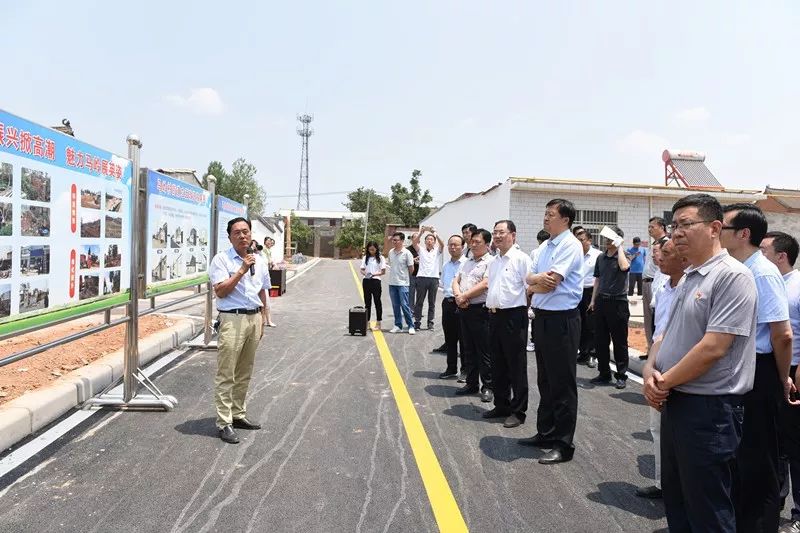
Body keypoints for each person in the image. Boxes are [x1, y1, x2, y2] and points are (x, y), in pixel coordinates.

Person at [643, 193, 757, 532]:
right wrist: (650, 371)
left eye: (685, 225)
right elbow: (663, 336)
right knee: (677, 500)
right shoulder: (689, 277)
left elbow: (713, 348)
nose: (675, 233)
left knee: (708, 509)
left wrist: (662, 383)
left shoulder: (731, 277)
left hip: (709, 410)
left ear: (714, 228)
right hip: (677, 400)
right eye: (674, 225)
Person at [719, 203, 794, 532]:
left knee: (759, 459)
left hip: (761, 371)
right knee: (739, 455)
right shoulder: (739, 267)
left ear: (743, 234)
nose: (717, 232)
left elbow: (782, 334)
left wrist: (781, 378)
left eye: (724, 227)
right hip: (741, 369)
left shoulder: (762, 272)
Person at [522, 199, 584, 464]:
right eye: (545, 213)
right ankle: (545, 433)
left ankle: (563, 443)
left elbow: (551, 283)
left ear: (565, 219)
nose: (545, 218)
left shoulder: (570, 245)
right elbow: (531, 279)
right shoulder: (546, 245)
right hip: (543, 318)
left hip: (562, 321)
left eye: (550, 214)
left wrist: (534, 283)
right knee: (545, 380)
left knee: (562, 384)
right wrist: (535, 281)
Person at [208, 217, 270, 444]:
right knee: (227, 372)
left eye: (246, 231)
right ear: (229, 237)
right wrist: (242, 270)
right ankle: (224, 422)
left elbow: (263, 291)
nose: (242, 236)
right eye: (237, 233)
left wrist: (263, 317)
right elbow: (221, 291)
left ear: (251, 233)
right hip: (232, 319)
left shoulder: (260, 260)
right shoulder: (221, 260)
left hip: (254, 318)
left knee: (245, 371)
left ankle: (238, 414)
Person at [636, 239, 685, 500]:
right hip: (659, 368)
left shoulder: (690, 287)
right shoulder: (663, 286)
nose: (659, 258)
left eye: (666, 253)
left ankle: (680, 489)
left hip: (683, 370)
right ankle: (663, 483)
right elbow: (659, 333)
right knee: (657, 429)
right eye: (658, 253)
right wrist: (649, 367)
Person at [760, 231, 800, 532]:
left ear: (781, 256)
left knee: (794, 444)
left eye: (764, 250)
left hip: (795, 370)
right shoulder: (770, 282)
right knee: (776, 445)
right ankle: (777, 501)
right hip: (774, 369)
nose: (759, 255)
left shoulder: (796, 287)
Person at [482, 220, 532, 430]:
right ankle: (501, 404)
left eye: (501, 232)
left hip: (514, 317)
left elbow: (530, 288)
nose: (497, 236)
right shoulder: (494, 262)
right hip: (494, 316)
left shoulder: (522, 259)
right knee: (498, 363)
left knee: (516, 366)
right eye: (495, 233)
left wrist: (527, 313)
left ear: (513, 235)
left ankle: (518, 411)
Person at [453, 228, 495, 402]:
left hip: (481, 311)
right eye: (472, 241)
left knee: (484, 351)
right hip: (464, 309)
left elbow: (485, 284)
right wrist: (458, 297)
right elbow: (456, 280)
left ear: (487, 244)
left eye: (478, 242)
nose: (474, 244)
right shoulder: (466, 261)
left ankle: (488, 386)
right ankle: (471, 384)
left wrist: (464, 296)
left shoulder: (491, 262)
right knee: (468, 349)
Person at [589, 225, 631, 389]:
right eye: (606, 239)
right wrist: (593, 300)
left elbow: (624, 267)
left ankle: (621, 375)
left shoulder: (624, 255)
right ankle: (604, 373)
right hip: (601, 301)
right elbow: (597, 280)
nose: (606, 241)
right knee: (600, 339)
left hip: (618, 302)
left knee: (620, 340)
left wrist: (620, 246)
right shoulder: (601, 258)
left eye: (610, 238)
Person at [438, 235, 466, 379]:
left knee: (464, 339)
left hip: (463, 305)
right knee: (450, 338)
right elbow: (443, 284)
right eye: (450, 245)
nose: (453, 247)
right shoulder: (446, 265)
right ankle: (451, 368)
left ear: (463, 246)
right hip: (448, 303)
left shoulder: (467, 264)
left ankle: (465, 371)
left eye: (456, 245)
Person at [574, 229, 602, 368]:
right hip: (577, 292)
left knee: (592, 325)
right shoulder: (574, 255)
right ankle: (583, 352)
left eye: (582, 240)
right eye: (577, 240)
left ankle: (593, 354)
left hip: (592, 293)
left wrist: (595, 298)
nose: (579, 243)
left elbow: (600, 277)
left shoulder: (598, 255)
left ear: (589, 240)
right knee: (580, 324)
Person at [642, 217, 669, 350]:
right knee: (648, 318)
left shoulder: (666, 244)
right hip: (646, 283)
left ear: (662, 228)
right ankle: (649, 348)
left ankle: (656, 349)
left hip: (656, 282)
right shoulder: (654, 244)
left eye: (652, 227)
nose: (649, 229)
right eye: (649, 227)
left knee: (656, 317)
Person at [412, 226, 444, 330]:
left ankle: (430, 323)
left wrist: (435, 233)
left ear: (434, 242)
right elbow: (414, 243)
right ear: (425, 241)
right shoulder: (421, 250)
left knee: (432, 302)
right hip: (421, 278)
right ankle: (417, 322)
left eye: (431, 239)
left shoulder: (437, 251)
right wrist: (421, 232)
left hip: (433, 279)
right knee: (419, 302)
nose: (429, 241)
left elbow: (442, 244)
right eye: (428, 239)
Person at [527, 230, 551, 353]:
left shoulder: (566, 247)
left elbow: (551, 282)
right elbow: (530, 275)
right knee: (536, 318)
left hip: (543, 287)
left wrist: (531, 286)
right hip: (537, 285)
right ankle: (534, 340)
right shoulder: (536, 252)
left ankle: (535, 340)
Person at [387, 232, 416, 334]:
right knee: (395, 305)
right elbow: (390, 264)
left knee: (404, 305)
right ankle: (398, 325)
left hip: (403, 283)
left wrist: (403, 277)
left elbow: (411, 269)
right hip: (392, 283)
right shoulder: (391, 252)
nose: (394, 242)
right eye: (393, 240)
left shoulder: (407, 253)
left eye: (396, 240)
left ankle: (410, 325)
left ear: (402, 241)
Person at [360, 241, 386, 331]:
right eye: (370, 249)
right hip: (366, 281)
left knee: (377, 302)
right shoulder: (365, 258)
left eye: (373, 249)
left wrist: (374, 274)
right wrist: (366, 274)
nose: (371, 251)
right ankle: (367, 322)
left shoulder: (381, 258)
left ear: (376, 249)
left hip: (376, 281)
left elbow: (383, 271)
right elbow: (362, 269)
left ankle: (378, 323)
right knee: (367, 303)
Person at [406, 234, 420, 311]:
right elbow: (405, 261)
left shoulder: (421, 249)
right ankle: (411, 310)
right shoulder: (407, 249)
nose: (417, 239)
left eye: (418, 237)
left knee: (420, 294)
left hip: (420, 275)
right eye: (415, 237)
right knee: (411, 293)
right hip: (411, 274)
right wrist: (414, 260)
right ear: (412, 239)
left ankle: (417, 310)